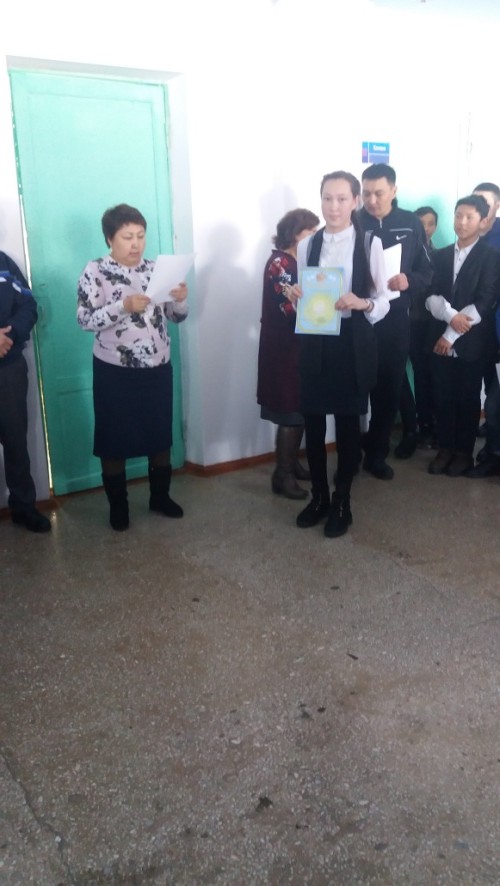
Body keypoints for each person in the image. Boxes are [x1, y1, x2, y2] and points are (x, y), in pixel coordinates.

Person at [287, 171, 389, 538]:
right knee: (313, 424)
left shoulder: (369, 243)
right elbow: (306, 292)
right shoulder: (307, 244)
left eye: (342, 199)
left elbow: (384, 301)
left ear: (355, 202)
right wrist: (296, 295)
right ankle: (319, 497)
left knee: (347, 426)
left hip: (351, 343)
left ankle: (342, 501)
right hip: (316, 340)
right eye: (327, 198)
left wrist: (362, 303)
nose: (334, 206)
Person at [77, 204, 188, 531]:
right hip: (115, 371)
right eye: (127, 237)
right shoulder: (95, 270)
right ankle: (119, 507)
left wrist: (180, 298)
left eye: (140, 236)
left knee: (159, 435)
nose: (136, 243)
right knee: (114, 439)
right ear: (109, 239)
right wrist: (123, 306)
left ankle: (160, 497)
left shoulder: (156, 269)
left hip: (157, 368)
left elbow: (176, 317)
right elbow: (85, 319)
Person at [358, 164, 433, 478]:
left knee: (389, 389)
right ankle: (351, 453)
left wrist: (409, 280)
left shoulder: (410, 223)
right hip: (358, 318)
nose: (372, 200)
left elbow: (427, 270)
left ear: (394, 191)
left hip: (394, 320)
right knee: (354, 388)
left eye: (379, 193)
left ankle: (377, 454)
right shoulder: (354, 221)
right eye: (366, 193)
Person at [426, 194, 499, 476]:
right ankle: (445, 449)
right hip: (440, 339)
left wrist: (450, 334)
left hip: (472, 342)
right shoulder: (440, 255)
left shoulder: (492, 257)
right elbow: (429, 296)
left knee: (468, 398)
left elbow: (485, 302)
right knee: (442, 396)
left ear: (483, 221)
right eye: (458, 215)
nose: (462, 222)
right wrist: (449, 317)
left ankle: (463, 453)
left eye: (469, 217)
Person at [257, 208, 319, 499]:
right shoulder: (280, 263)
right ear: (295, 234)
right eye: (310, 232)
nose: (315, 237)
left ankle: (292, 464)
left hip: (298, 345)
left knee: (300, 407)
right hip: (284, 348)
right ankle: (281, 475)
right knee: (290, 411)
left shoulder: (299, 261)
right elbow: (289, 308)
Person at [0, 252, 51, 533]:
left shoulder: (3, 263)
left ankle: (22, 507)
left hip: (8, 368)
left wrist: (10, 335)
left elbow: (28, 304)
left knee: (15, 440)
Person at [396, 205, 440, 455]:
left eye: (430, 223)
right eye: (421, 223)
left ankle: (426, 426)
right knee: (398, 376)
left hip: (425, 324)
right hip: (400, 322)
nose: (425, 228)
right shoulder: (402, 253)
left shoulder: (440, 256)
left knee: (424, 376)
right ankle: (410, 429)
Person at [471, 182, 500, 443]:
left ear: (497, 206)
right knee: (478, 382)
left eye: (485, 203)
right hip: (475, 325)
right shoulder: (469, 235)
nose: (479, 208)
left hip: (497, 325)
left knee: (495, 390)